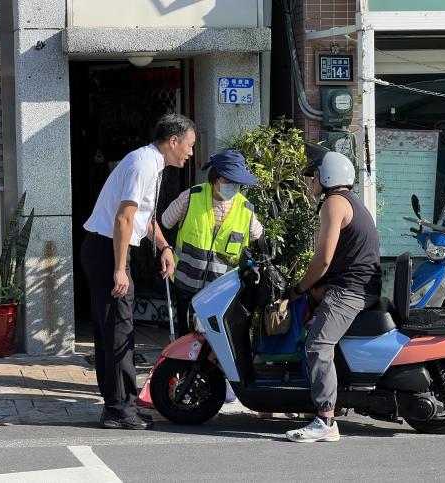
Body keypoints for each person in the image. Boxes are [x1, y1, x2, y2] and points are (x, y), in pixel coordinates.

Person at [80, 113, 196, 430]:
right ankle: (121, 409)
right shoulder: (143, 163)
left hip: (108, 249)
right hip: (108, 251)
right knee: (119, 331)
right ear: (173, 140)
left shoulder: (151, 164)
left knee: (114, 331)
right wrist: (120, 269)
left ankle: (116, 406)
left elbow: (145, 219)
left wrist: (165, 247)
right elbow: (124, 218)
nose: (190, 153)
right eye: (189, 145)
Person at [285, 146, 382, 443]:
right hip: (356, 285)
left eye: (313, 176)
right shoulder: (350, 201)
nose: (311, 182)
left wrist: (298, 288)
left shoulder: (334, 203)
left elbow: (323, 260)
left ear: (326, 176)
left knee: (317, 344)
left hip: (351, 290)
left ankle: (326, 420)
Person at [161, 149, 263, 404]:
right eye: (229, 181)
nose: (233, 187)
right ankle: (182, 383)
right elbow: (165, 220)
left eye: (237, 182)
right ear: (216, 178)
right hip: (187, 285)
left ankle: (220, 384)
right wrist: (165, 250)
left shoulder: (246, 210)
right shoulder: (191, 197)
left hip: (220, 294)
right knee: (187, 338)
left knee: (219, 341)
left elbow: (259, 237)